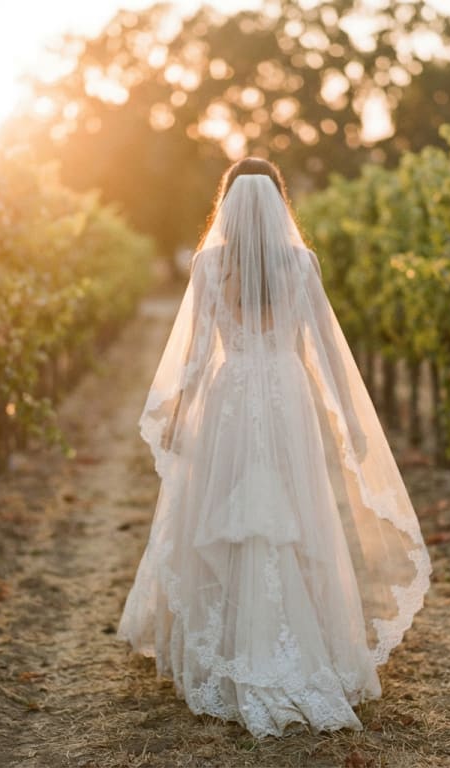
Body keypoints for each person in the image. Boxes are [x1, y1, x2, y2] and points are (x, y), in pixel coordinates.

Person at [118, 157, 432, 738]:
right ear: (281, 202)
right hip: (287, 395)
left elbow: (196, 353)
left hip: (231, 394)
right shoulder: (301, 263)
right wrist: (349, 418)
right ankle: (293, 639)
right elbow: (325, 349)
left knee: (225, 508)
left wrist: (180, 412)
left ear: (227, 205)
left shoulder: (210, 265)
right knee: (292, 513)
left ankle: (230, 641)